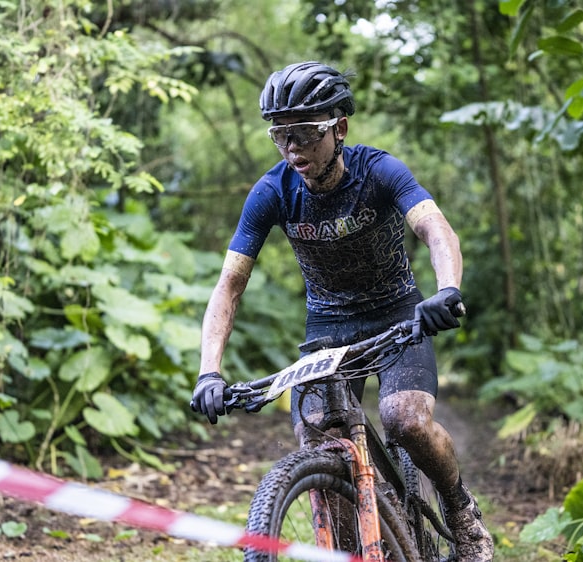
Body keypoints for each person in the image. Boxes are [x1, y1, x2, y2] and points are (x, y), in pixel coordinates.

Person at [190, 61, 494, 561]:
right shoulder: (273, 192)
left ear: (339, 128)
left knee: (405, 421)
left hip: (399, 315)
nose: (294, 149)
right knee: (318, 441)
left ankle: (461, 513)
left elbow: (435, 228)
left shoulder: (379, 171)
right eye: (281, 135)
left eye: (307, 133)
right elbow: (230, 285)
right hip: (328, 331)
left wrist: (446, 289)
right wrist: (209, 372)